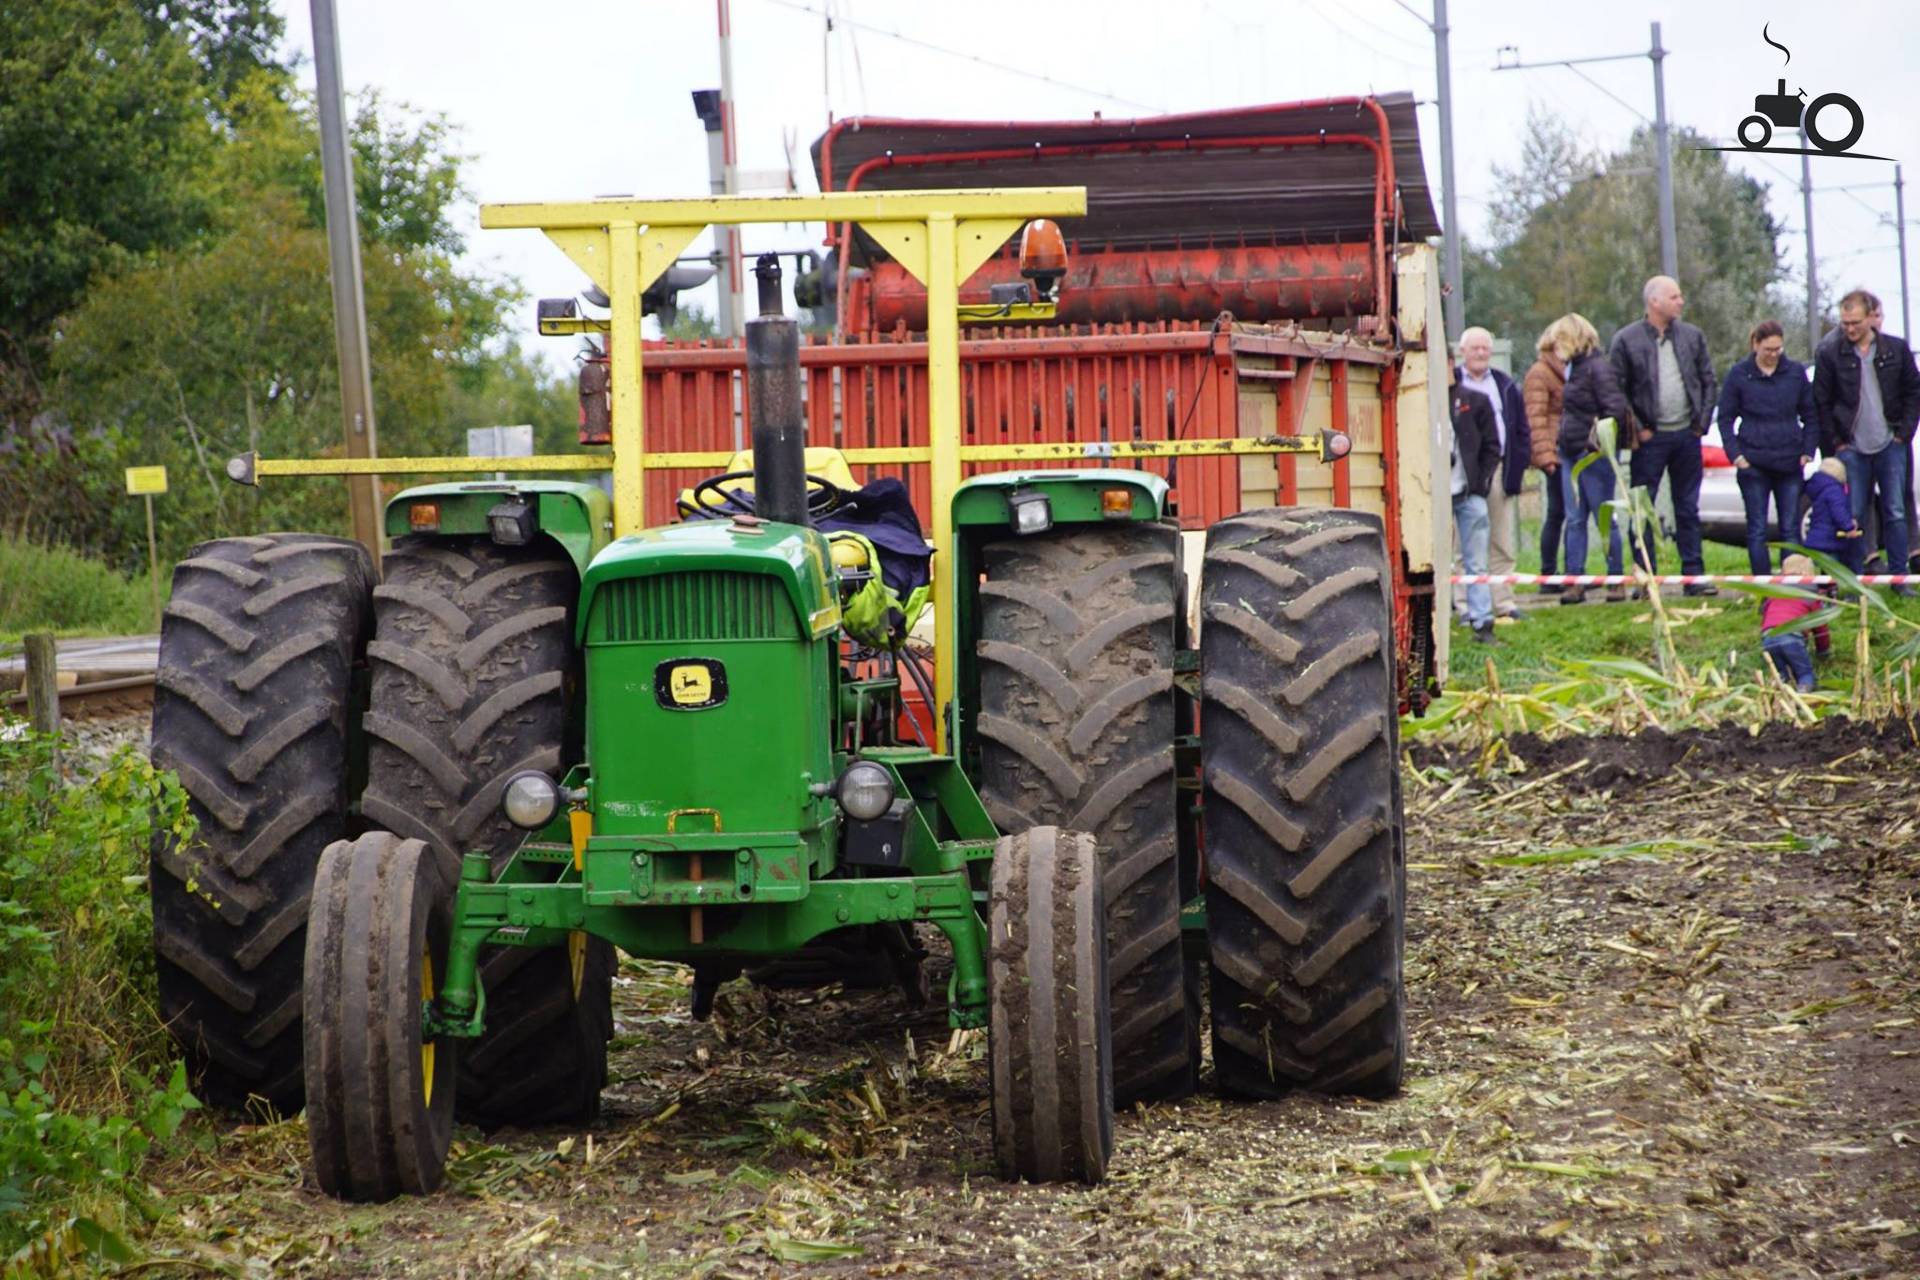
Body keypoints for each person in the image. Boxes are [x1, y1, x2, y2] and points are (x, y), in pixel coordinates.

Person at [1609, 275, 1720, 595]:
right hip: (1649, 440)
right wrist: (1638, 429)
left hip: (1687, 435)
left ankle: (1694, 577)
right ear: (1654, 301)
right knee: (1642, 509)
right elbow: (1617, 391)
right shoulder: (1626, 340)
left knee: (1688, 507)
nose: (1681, 302)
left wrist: (1701, 423)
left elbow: (1708, 381)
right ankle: (1645, 578)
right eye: (1674, 297)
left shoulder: (1692, 337)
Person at [1815, 288, 1920, 595]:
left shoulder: (1896, 350)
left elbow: (1913, 393)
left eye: (1856, 322)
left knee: (1896, 510)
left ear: (1872, 317)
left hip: (1891, 444)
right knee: (1853, 514)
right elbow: (1821, 402)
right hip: (1852, 448)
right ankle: (1853, 580)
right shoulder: (1830, 354)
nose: (1849, 329)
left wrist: (1903, 434)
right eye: (1845, 322)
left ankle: (1900, 579)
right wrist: (1837, 442)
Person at [1716, 319, 1817, 575]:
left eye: (1778, 350)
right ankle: (1764, 588)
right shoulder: (1739, 374)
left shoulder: (1795, 373)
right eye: (1768, 350)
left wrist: (1808, 450)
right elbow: (1725, 418)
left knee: (1790, 527)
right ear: (1755, 345)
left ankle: (1791, 585)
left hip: (1789, 462)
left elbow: (1810, 414)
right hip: (1753, 464)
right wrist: (1736, 455)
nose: (1773, 355)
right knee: (1758, 528)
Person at [1553, 313, 1631, 605]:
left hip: (1593, 455)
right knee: (1574, 519)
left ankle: (1616, 579)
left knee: (1603, 518)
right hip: (1570, 451)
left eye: (1561, 339)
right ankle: (1575, 582)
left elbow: (1615, 408)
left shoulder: (1597, 368)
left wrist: (1597, 440)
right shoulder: (1573, 368)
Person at [1455, 327, 1532, 620]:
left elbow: (1520, 430)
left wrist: (1517, 467)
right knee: (1464, 541)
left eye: (1485, 348)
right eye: (1474, 348)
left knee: (1501, 540)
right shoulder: (1453, 385)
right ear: (1463, 351)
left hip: (1497, 468)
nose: (1480, 353)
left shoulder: (1505, 385)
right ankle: (1465, 607)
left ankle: (1504, 603)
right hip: (1461, 472)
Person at [1449, 369, 1502, 643]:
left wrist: (1480, 484)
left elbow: (1493, 446)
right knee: (1431, 561)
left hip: (1469, 494)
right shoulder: (1417, 399)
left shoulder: (1475, 400)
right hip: (1430, 498)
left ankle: (1483, 623)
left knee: (1477, 561)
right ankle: (1440, 619)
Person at [1524, 321, 1570, 585]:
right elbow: (1535, 417)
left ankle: (1567, 569)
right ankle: (1549, 570)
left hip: (1571, 449)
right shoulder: (1540, 373)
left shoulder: (1567, 369)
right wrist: (1545, 456)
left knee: (1567, 512)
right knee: (1556, 512)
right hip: (1555, 452)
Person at [1759, 554, 1821, 691]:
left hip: (1769, 636)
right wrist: (1824, 651)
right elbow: (1820, 625)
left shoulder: (1774, 589)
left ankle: (1777, 694)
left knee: (1781, 674)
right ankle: (1803, 694)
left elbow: (1764, 616)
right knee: (1804, 673)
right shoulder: (1811, 593)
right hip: (1792, 636)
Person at [1804, 456, 1865, 574]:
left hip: (1815, 539)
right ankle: (1846, 589)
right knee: (1834, 568)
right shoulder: (1834, 490)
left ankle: (1824, 588)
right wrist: (1849, 526)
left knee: (1823, 570)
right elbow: (1838, 511)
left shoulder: (1819, 489)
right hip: (1830, 540)